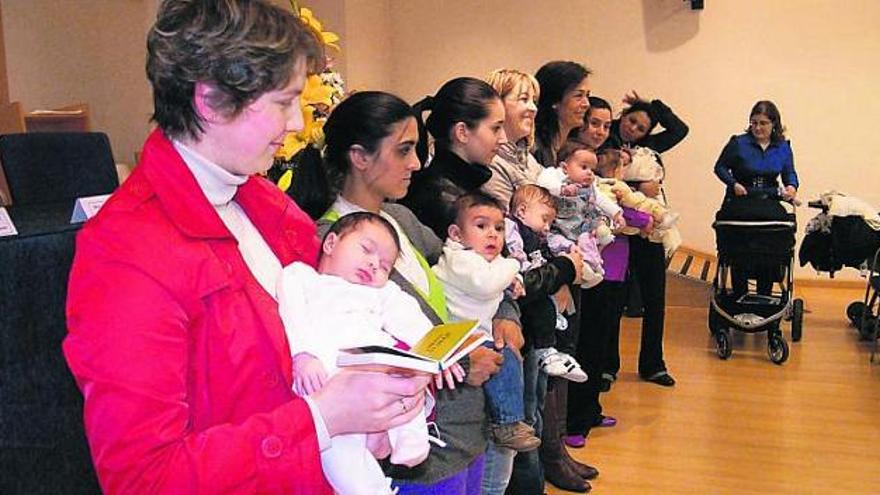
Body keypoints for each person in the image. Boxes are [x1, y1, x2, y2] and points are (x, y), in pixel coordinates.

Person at [62, 2, 430, 493]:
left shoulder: (260, 199)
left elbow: (332, 315)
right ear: (210, 100)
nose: (299, 122)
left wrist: (388, 382)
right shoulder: (127, 254)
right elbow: (143, 478)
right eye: (283, 102)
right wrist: (322, 418)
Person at [294, 90, 508, 494]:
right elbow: (368, 352)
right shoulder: (338, 244)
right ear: (360, 156)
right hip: (424, 445)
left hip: (464, 427)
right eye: (404, 150)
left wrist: (504, 313)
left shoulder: (399, 219)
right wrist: (461, 361)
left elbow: (474, 260)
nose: (416, 163)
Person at [280, 212, 468, 495]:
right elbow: (291, 314)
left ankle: (410, 438)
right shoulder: (302, 276)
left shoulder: (383, 293)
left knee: (404, 381)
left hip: (375, 366)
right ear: (331, 243)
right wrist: (302, 355)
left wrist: (440, 353)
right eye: (366, 250)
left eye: (384, 266)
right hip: (325, 380)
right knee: (342, 454)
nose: (373, 264)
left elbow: (412, 321)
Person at [431, 192, 539, 452]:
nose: (493, 234)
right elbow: (486, 283)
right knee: (504, 358)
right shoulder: (460, 259)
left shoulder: (484, 259)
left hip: (475, 331)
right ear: (456, 234)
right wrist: (515, 266)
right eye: (481, 226)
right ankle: (505, 422)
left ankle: (511, 419)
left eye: (499, 228)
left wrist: (513, 281)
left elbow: (496, 279)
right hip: (457, 335)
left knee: (509, 355)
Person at [609, 91, 689, 387]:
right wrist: (638, 185)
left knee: (655, 298)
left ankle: (653, 364)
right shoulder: (605, 139)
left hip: (650, 230)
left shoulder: (651, 146)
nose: (633, 129)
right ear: (623, 115)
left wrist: (655, 105)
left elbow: (681, 130)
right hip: (617, 231)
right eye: (631, 121)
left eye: (641, 127)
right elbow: (602, 178)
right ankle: (607, 365)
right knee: (613, 300)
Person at [401, 77, 508, 239]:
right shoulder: (444, 200)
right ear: (462, 132)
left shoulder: (460, 187)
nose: (504, 139)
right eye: (496, 128)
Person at [714, 100, 799, 296]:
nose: (758, 127)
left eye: (763, 123)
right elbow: (719, 167)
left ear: (774, 124)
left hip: (768, 200)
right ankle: (739, 293)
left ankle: (764, 295)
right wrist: (733, 183)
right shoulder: (738, 143)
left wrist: (791, 187)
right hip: (740, 199)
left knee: (773, 240)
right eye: (754, 123)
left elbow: (790, 173)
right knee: (739, 245)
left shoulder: (783, 147)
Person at [537, 140, 625, 288]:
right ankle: (584, 269)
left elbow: (601, 199)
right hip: (559, 227)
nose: (589, 172)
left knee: (588, 241)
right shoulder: (555, 174)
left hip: (580, 226)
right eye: (584, 167)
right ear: (565, 167)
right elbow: (542, 183)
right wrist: (562, 189)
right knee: (562, 245)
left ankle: (592, 266)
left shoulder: (589, 186)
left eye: (592, 169)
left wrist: (616, 213)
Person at [482, 69, 543, 208]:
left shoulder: (528, 158)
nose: (533, 108)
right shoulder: (490, 163)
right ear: (497, 104)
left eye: (534, 101)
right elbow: (514, 224)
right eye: (524, 99)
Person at [533, 61, 592, 167]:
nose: (586, 104)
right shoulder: (534, 148)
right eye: (578, 95)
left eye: (587, 95)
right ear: (554, 100)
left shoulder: (573, 148)